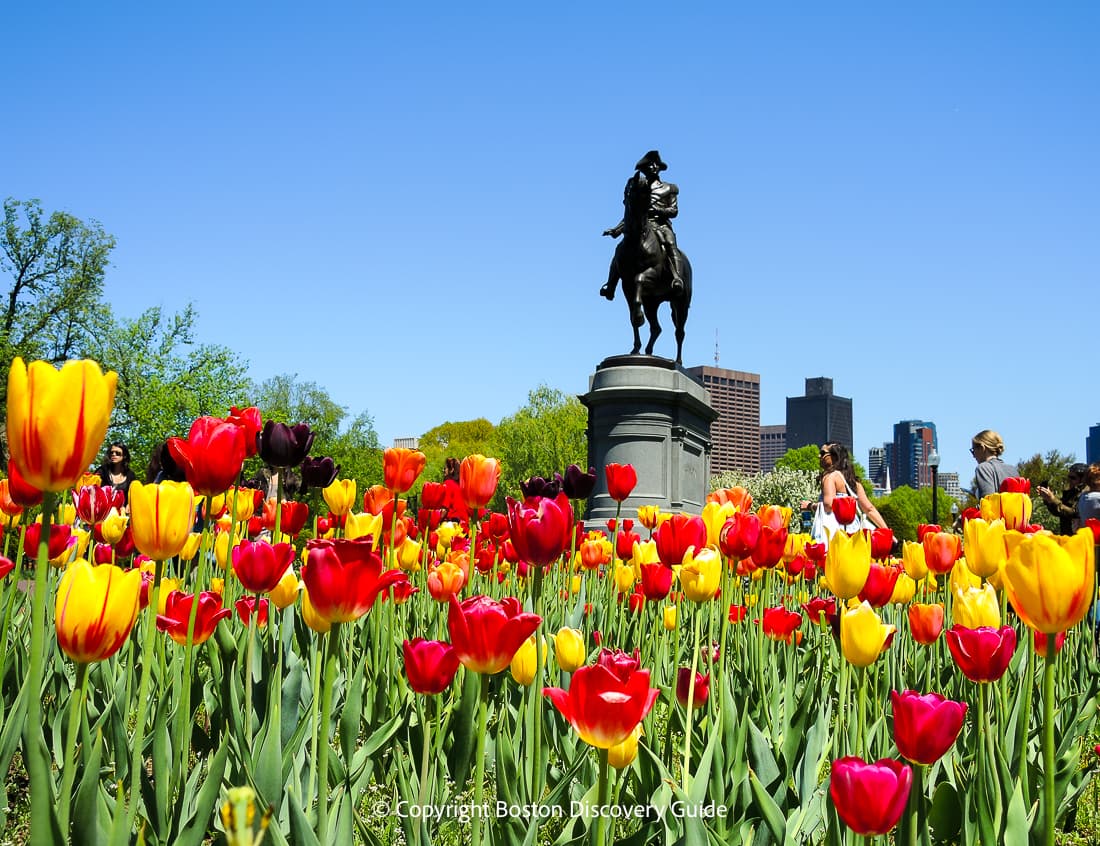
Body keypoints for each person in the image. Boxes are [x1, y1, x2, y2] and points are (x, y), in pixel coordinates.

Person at [602, 150, 685, 291]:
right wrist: (617, 229)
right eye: (649, 165)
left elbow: (674, 211)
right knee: (620, 249)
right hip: (639, 225)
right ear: (644, 169)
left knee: (670, 243)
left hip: (660, 225)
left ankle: (677, 278)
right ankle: (611, 284)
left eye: (655, 164)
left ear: (659, 167)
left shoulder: (669, 188)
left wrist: (656, 211)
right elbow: (631, 212)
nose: (652, 167)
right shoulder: (637, 187)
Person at [807, 443, 888, 544]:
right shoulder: (854, 482)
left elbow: (828, 505)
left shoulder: (830, 477)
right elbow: (869, 509)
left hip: (835, 534)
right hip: (854, 532)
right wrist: (887, 532)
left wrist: (810, 506)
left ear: (834, 456)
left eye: (823, 453)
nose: (819, 456)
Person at [1037, 463, 1088, 534]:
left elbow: (1074, 513)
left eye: (1073, 478)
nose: (1069, 480)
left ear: (1083, 479)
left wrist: (1053, 499)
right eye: (1069, 477)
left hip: (1078, 537)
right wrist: (1047, 499)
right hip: (1067, 536)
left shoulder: (1085, 494)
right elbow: (1059, 512)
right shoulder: (1071, 492)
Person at [970, 430, 1018, 498]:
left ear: (982, 448)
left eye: (973, 451)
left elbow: (988, 501)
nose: (973, 456)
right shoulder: (1012, 469)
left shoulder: (983, 468)